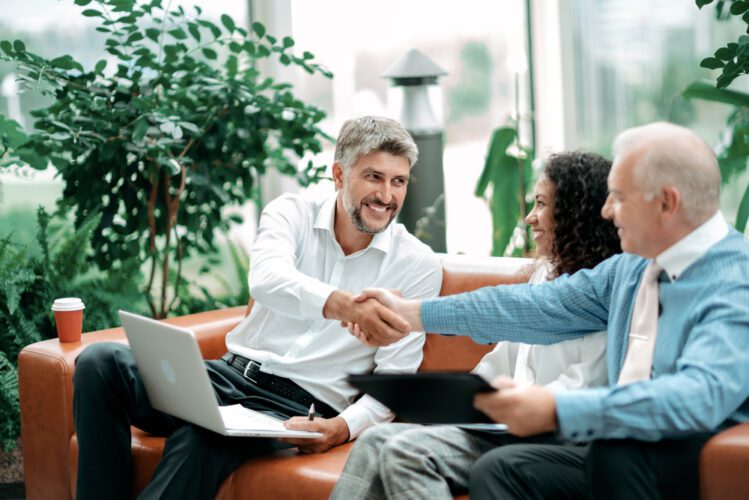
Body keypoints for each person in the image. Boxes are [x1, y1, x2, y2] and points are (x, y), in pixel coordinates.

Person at [348, 122, 749, 500]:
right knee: (503, 468)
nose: (607, 211)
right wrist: (413, 313)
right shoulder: (634, 267)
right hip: (612, 448)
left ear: (666, 202)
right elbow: (537, 306)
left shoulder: (734, 282)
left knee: (594, 457)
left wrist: (557, 408)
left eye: (619, 197)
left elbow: (699, 395)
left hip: (680, 458)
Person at [72, 116, 442, 500]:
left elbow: (397, 379)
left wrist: (342, 428)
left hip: (293, 408)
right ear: (338, 174)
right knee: (101, 362)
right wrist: (345, 307)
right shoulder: (292, 212)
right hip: (223, 377)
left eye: (398, 181)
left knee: (202, 440)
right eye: (373, 177)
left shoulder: (417, 265)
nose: (386, 195)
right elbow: (266, 280)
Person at [330, 151, 620, 499]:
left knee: (406, 451)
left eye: (542, 204)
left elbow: (584, 390)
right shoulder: (545, 274)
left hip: (556, 436)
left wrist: (513, 404)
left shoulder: (603, 292)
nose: (530, 217)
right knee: (377, 439)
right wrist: (458, 398)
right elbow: (503, 361)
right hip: (505, 427)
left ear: (576, 213)